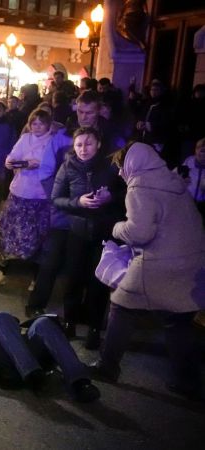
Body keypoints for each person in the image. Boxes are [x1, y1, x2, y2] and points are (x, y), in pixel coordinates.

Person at [91, 142, 205, 400]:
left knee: (121, 307)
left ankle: (107, 367)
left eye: (121, 166)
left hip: (159, 263)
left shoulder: (140, 188)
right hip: (190, 262)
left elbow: (139, 233)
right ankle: (188, 382)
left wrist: (115, 227)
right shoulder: (172, 181)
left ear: (131, 164)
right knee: (178, 320)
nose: (120, 173)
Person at [51, 127, 125, 349]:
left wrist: (111, 197)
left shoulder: (112, 167)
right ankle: (70, 322)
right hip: (77, 231)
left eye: (88, 144)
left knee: (99, 283)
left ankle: (94, 328)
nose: (83, 149)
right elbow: (56, 198)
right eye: (79, 144)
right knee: (73, 278)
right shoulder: (68, 166)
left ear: (98, 144)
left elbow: (128, 193)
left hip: (104, 233)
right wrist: (78, 203)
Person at [0, 109, 54, 290]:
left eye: (41, 123)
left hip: (39, 197)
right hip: (18, 193)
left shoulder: (52, 142)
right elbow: (12, 156)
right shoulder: (25, 138)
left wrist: (39, 165)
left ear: (48, 124)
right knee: (8, 234)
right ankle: (1, 272)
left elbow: (53, 166)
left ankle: (36, 278)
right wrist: (10, 162)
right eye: (34, 123)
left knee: (37, 238)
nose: (37, 127)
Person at [177, 137, 205, 223]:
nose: (204, 155)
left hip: (201, 204)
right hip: (187, 200)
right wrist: (181, 179)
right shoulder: (189, 161)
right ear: (196, 151)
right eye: (202, 151)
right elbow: (177, 174)